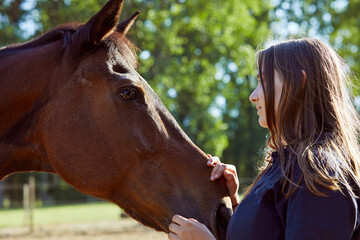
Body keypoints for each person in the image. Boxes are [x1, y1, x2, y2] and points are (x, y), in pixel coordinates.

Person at [168, 38, 360, 240]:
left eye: (263, 82)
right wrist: (233, 200)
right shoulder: (286, 164)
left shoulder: (318, 173)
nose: (253, 95)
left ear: (298, 83)